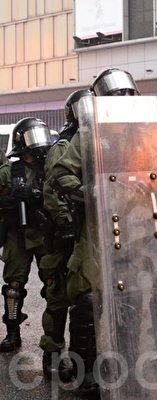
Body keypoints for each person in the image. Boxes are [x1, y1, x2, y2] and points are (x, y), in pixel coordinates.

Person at [49, 68, 140, 397]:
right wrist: (91, 192)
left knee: (131, 298)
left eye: (128, 92)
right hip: (97, 226)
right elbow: (61, 172)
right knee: (88, 301)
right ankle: (85, 372)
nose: (124, 98)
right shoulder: (88, 133)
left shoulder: (143, 131)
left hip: (138, 225)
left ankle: (125, 366)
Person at [39, 89, 93, 380]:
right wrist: (68, 224)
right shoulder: (64, 145)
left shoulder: (96, 137)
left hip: (87, 231)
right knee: (59, 296)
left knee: (85, 299)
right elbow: (53, 190)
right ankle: (52, 352)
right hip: (65, 234)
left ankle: (81, 358)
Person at [0, 117, 52, 352]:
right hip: (17, 234)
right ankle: (12, 333)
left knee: (54, 286)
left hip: (43, 232)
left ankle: (54, 336)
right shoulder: (9, 171)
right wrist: (9, 202)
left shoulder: (50, 167)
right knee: (13, 286)